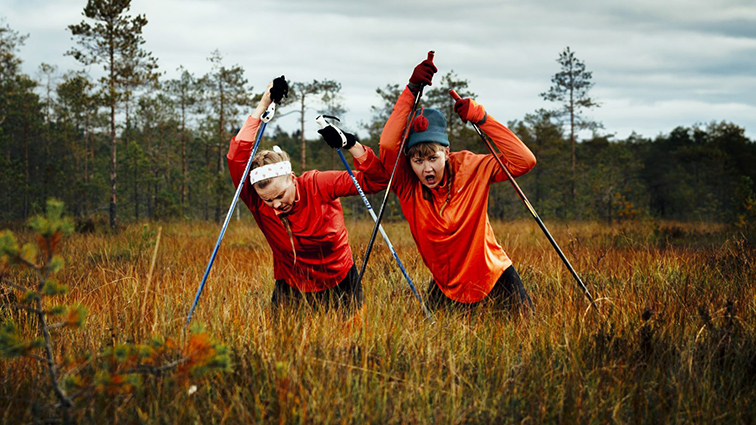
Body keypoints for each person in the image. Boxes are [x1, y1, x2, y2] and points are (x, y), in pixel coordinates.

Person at [379, 55, 536, 313]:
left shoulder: (472, 168)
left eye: (433, 158)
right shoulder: (406, 185)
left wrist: (482, 118)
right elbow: (387, 145)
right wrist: (411, 90)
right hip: (446, 287)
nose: (426, 168)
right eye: (417, 160)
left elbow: (524, 161)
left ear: (447, 152)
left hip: (495, 276)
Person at [227, 81, 388, 311]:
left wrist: (350, 143)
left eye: (280, 195)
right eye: (268, 200)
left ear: (292, 178)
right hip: (291, 285)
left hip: (340, 281)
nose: (276, 205)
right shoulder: (255, 200)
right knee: (282, 345)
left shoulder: (318, 184)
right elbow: (236, 156)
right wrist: (264, 103)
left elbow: (376, 180)